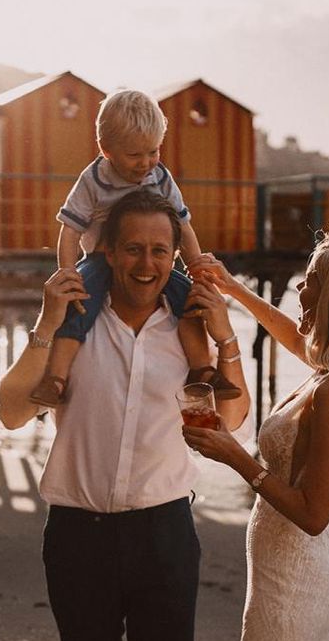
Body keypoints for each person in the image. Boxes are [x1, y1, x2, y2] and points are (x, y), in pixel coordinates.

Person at [0, 190, 252, 641]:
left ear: (174, 256)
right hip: (78, 537)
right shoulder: (75, 324)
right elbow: (12, 414)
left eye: (159, 251)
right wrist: (46, 322)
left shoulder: (190, 330)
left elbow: (230, 421)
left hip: (165, 536)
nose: (146, 264)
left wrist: (227, 338)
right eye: (133, 248)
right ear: (109, 252)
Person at [184, 235, 329, 641]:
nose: (298, 288)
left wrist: (235, 456)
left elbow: (313, 514)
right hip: (283, 566)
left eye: (311, 281)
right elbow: (292, 337)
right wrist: (233, 289)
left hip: (296, 578)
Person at [29, 88, 241, 407]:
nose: (145, 163)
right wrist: (67, 272)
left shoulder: (160, 175)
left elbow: (182, 225)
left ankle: (202, 370)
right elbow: (70, 230)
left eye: (152, 152)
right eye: (134, 155)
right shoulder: (93, 180)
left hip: (151, 257)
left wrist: (196, 266)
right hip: (102, 257)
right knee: (79, 305)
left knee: (189, 301)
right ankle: (56, 379)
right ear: (107, 149)